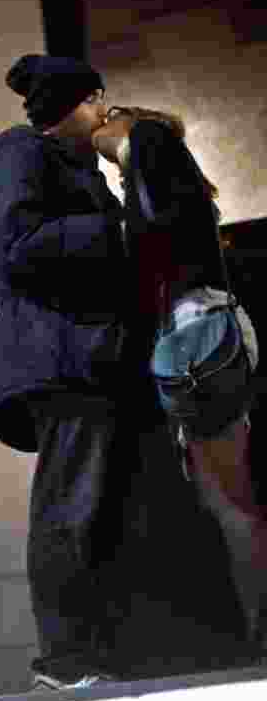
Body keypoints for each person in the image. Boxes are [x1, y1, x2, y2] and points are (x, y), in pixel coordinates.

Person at [0, 54, 251, 688]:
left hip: (108, 364)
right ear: (77, 102)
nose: (105, 114)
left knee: (133, 509)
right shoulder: (16, 153)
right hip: (64, 362)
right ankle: (66, 660)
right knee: (73, 505)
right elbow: (18, 247)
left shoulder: (83, 172)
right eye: (98, 100)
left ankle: (148, 650)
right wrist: (123, 230)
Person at [92, 106, 265, 638]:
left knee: (231, 503)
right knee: (232, 499)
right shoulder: (184, 196)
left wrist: (125, 138)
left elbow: (121, 138)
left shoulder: (156, 165)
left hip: (195, 343)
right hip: (208, 339)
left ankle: (259, 628)